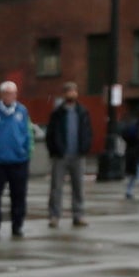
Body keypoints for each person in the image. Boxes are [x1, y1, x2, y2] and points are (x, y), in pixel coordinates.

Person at [0, 81, 32, 238]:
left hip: (19, 161)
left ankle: (17, 225)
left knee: (18, 195)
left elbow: (28, 133)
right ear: (2, 94)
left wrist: (26, 151)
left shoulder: (22, 111)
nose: (10, 96)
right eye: (7, 93)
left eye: (13, 93)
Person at [45, 82, 92, 228]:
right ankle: (54, 216)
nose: (71, 94)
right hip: (60, 155)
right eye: (68, 91)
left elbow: (88, 132)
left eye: (73, 91)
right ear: (64, 94)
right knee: (56, 187)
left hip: (78, 155)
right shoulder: (57, 113)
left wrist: (85, 147)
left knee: (78, 187)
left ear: (77, 93)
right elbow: (50, 134)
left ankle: (78, 215)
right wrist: (54, 150)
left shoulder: (82, 112)